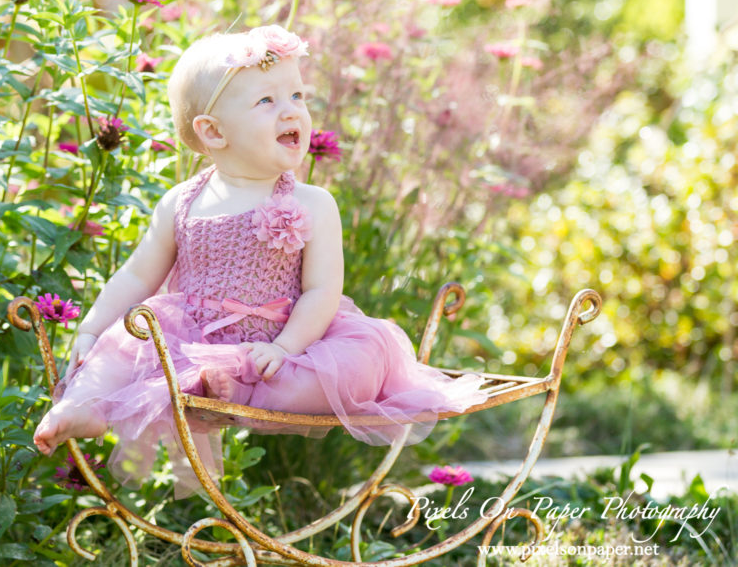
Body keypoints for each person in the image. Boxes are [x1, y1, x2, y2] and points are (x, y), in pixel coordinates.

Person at [33, 25, 486, 496]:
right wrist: (91, 329)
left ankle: (240, 388)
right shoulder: (181, 203)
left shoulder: (312, 203)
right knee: (118, 347)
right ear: (213, 131)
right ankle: (84, 406)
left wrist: (286, 347)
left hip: (285, 347)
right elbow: (136, 275)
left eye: (297, 95)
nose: (292, 110)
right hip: (192, 341)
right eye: (266, 101)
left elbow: (321, 291)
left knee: (358, 366)